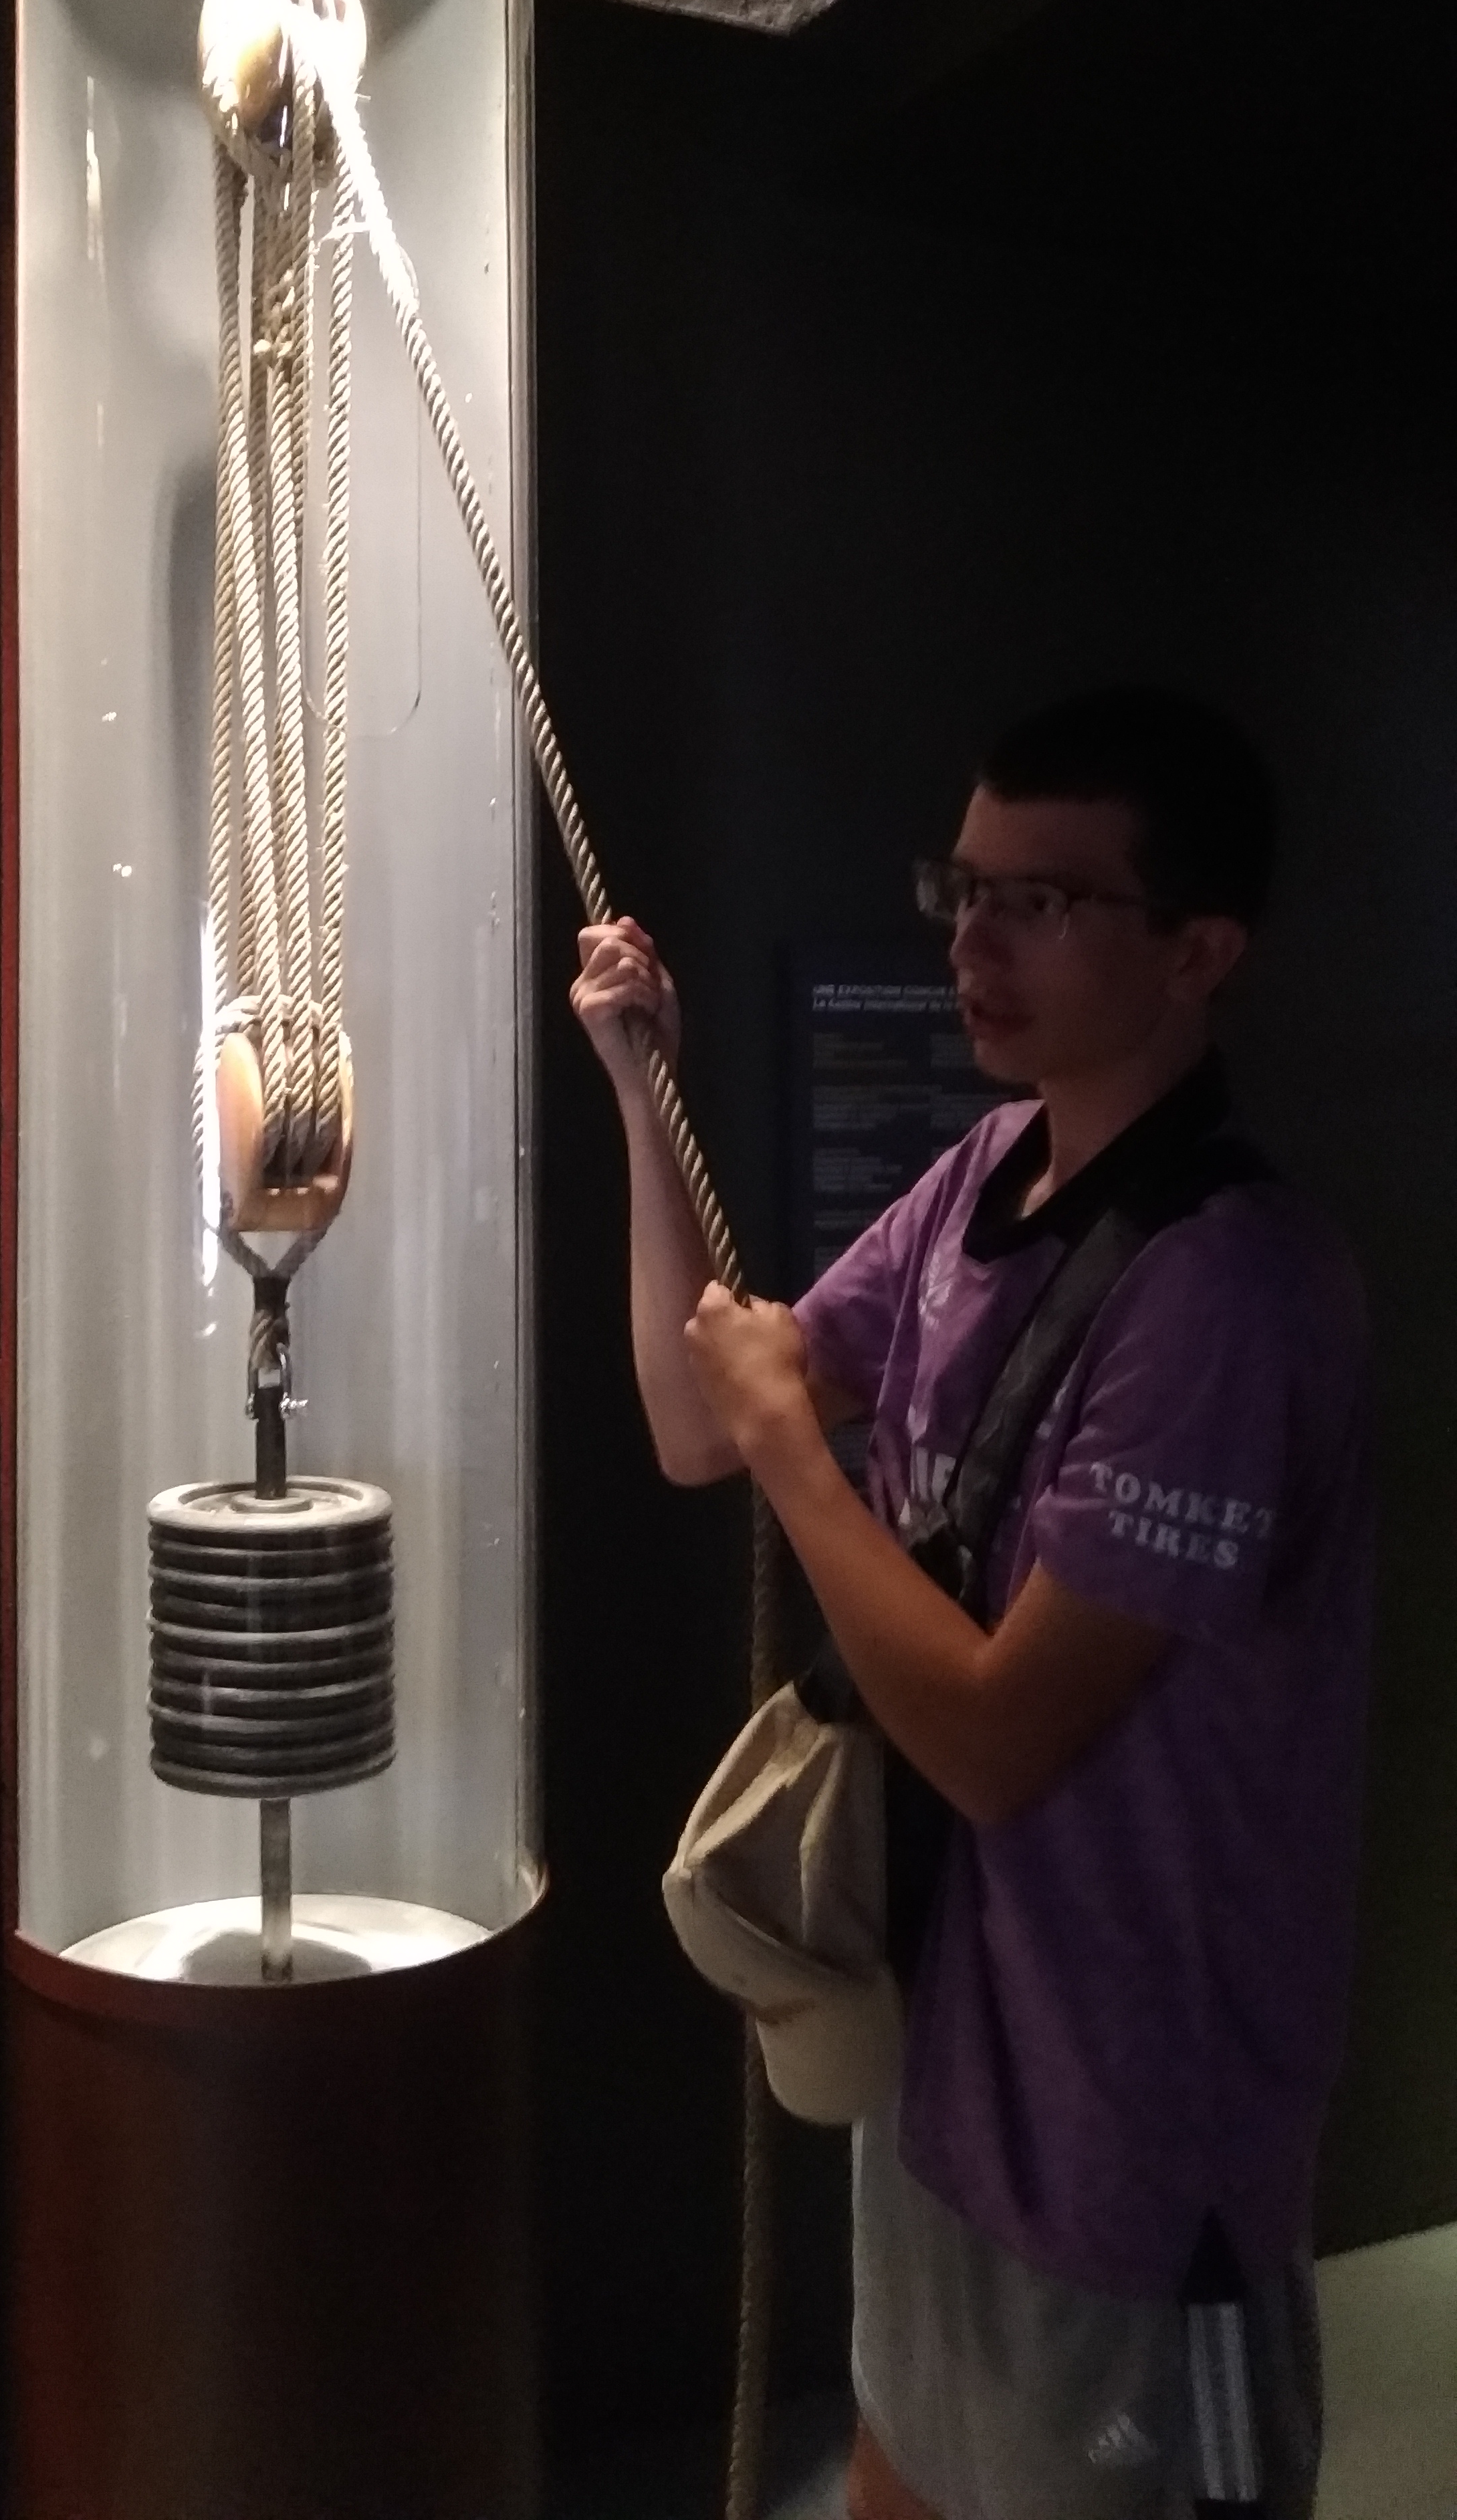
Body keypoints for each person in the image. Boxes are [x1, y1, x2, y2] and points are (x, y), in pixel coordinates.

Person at [570, 687, 1372, 2520]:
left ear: (1199, 950)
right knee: (909, 2474)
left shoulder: (1231, 1292)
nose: (972, 940)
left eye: (1044, 901)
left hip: (1136, 2125)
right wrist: (638, 1087)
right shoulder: (983, 1179)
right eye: (964, 887)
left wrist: (800, 1454)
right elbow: (701, 1416)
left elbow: (1002, 1740)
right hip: (950, 2055)